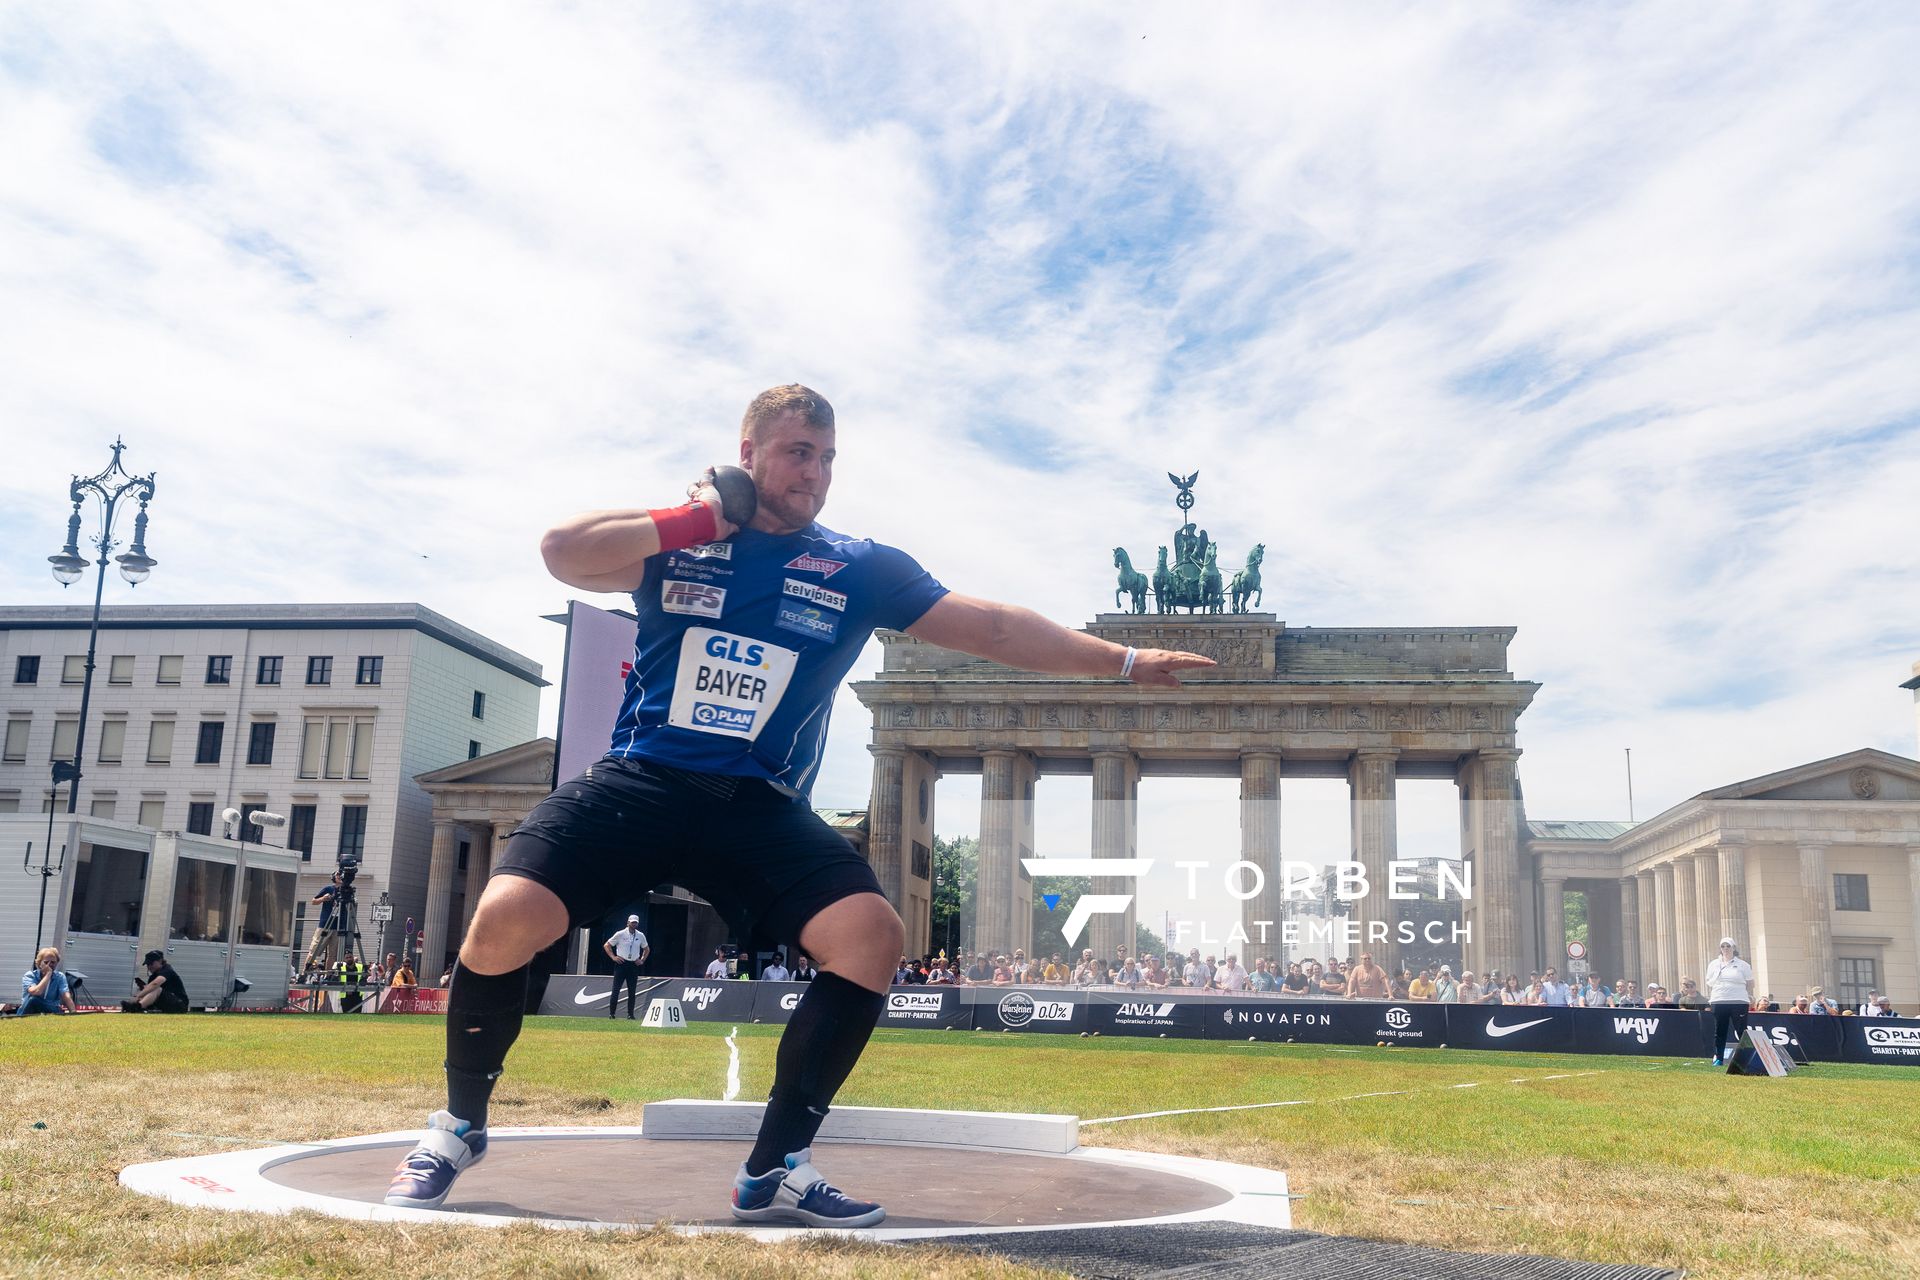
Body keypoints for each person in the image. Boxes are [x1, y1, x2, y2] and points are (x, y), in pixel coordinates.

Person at [382, 386, 1211, 1227]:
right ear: (748, 455)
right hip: (644, 778)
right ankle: (457, 1128)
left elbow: (991, 627)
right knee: (503, 917)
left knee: (872, 936)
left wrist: (1122, 660)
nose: (813, 474)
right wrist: (698, 518)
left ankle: (777, 1165)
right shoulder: (685, 540)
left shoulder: (856, 565)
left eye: (826, 458)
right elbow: (563, 550)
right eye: (795, 453)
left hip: (757, 804)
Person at [1703, 938, 1755, 1065]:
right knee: (1720, 1030)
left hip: (1739, 1000)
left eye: (1728, 946)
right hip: (1719, 1000)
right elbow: (1709, 981)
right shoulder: (1714, 964)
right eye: (1723, 946)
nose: (1725, 949)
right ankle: (1719, 1057)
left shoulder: (1743, 965)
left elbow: (1750, 983)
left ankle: (1747, 1057)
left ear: (1734, 948)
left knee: (1741, 1030)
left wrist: (1749, 996)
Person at [602, 915, 650, 1019]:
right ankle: (612, 1014)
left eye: (635, 922)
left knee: (632, 991)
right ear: (628, 923)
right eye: (632, 922)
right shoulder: (620, 934)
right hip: (621, 964)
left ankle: (630, 1014)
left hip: (633, 965)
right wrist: (613, 957)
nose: (634, 924)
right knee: (616, 990)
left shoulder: (640, 935)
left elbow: (646, 949)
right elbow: (607, 945)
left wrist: (641, 960)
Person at [302, 873, 343, 976]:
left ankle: (328, 976)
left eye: (342, 876)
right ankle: (304, 972)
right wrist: (323, 898)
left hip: (337, 926)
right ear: (334, 878)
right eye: (338, 876)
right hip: (325, 924)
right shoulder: (328, 888)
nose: (340, 877)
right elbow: (313, 901)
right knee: (314, 949)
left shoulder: (346, 891)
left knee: (333, 953)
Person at [123, 950, 189, 1013]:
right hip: (167, 1004)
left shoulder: (167, 970)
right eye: (147, 964)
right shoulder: (153, 976)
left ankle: (137, 1008)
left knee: (155, 988)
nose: (149, 967)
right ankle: (133, 1007)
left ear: (160, 961)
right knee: (145, 990)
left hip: (180, 1005)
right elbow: (149, 992)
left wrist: (137, 996)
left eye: (151, 963)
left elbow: (155, 984)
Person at [19, 947, 77, 1016]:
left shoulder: (60, 977)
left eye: (53, 962)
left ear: (57, 963)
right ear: (39, 963)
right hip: (30, 1009)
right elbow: (36, 992)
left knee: (57, 1009)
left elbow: (65, 995)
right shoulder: (30, 975)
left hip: (51, 1008)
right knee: (33, 1000)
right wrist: (48, 974)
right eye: (46, 962)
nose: (50, 964)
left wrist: (73, 1011)